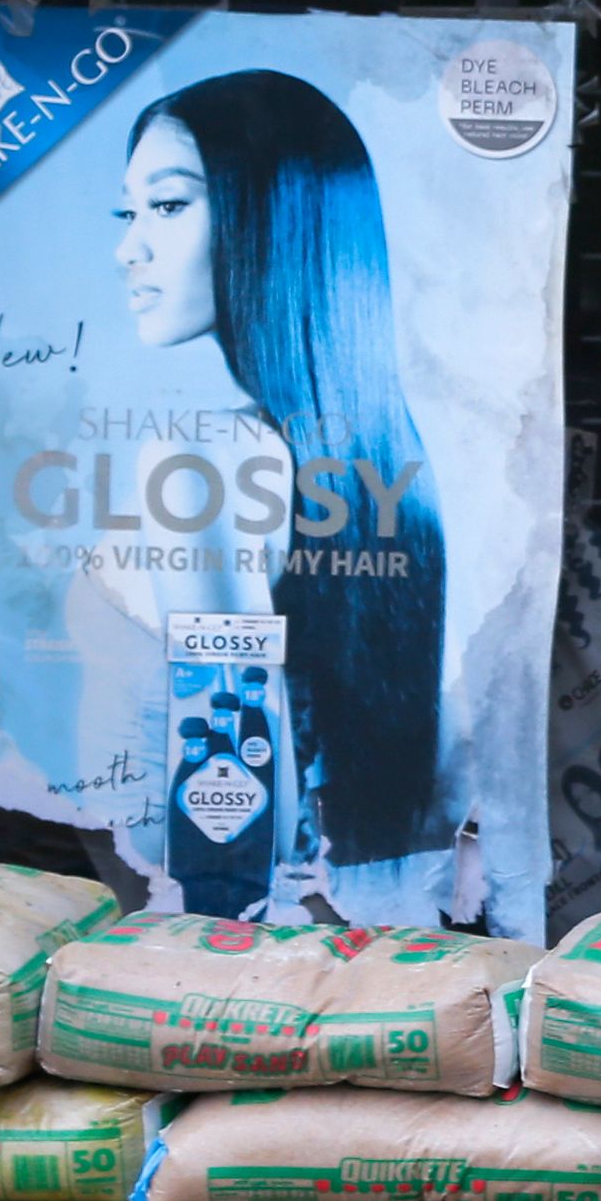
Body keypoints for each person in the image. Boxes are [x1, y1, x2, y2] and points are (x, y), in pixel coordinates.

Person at [109, 71, 453, 901]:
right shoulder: (393, 452)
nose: (130, 248)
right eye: (128, 212)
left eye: (168, 205)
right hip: (392, 922)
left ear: (272, 216)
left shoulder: (201, 461)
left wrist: (213, 960)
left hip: (253, 943)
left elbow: (226, 754)